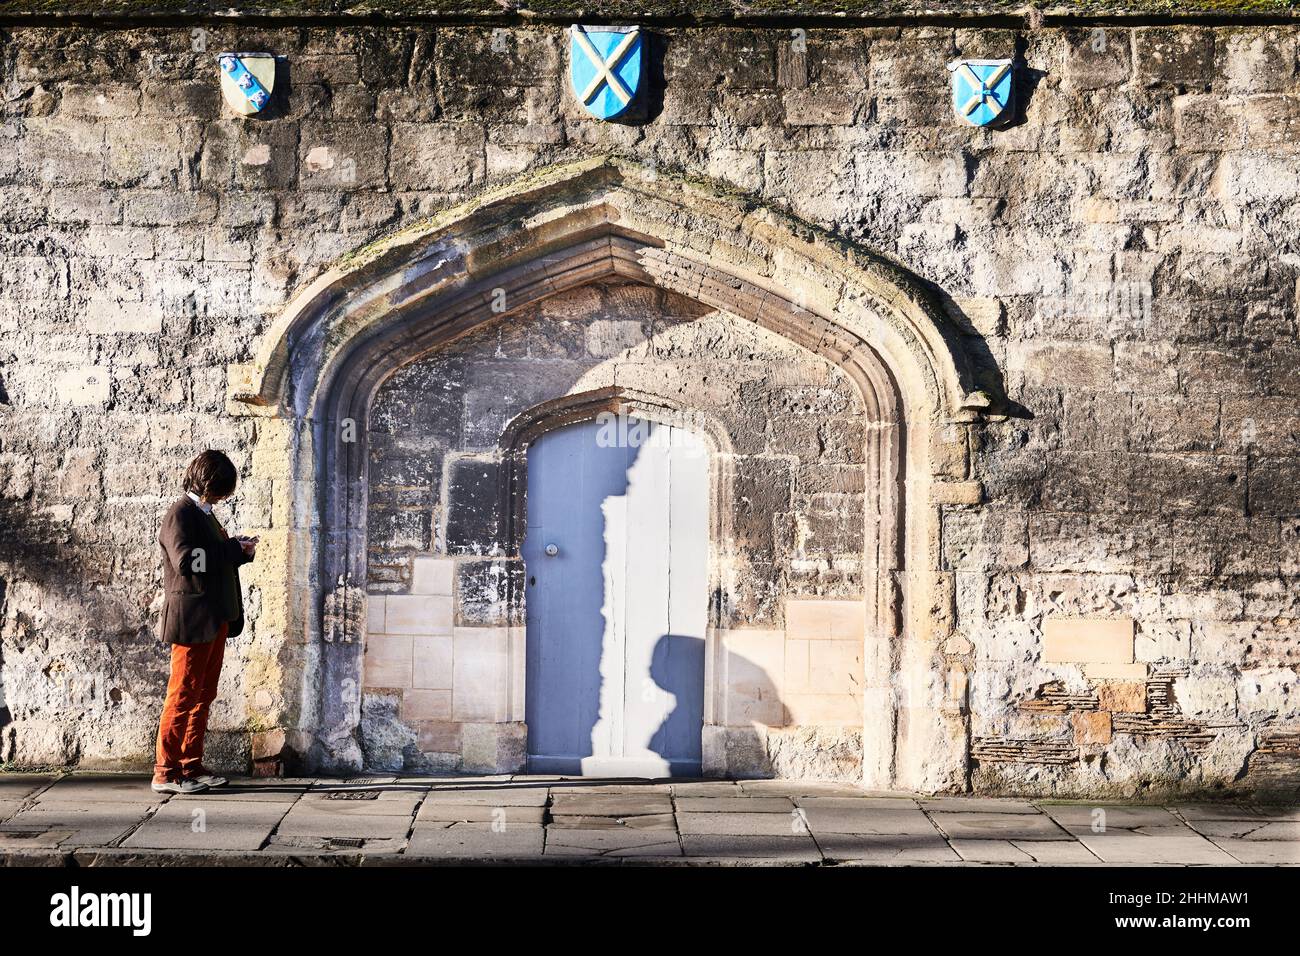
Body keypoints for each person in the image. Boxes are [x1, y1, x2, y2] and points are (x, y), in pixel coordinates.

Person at [152, 450, 258, 794]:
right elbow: (187, 562)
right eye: (223, 490)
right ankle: (166, 773)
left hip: (215, 619)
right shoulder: (180, 515)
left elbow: (211, 561)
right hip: (193, 622)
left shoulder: (204, 514)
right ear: (209, 484)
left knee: (203, 695)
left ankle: (190, 765)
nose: (225, 497)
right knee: (182, 695)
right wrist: (230, 549)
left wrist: (239, 552)